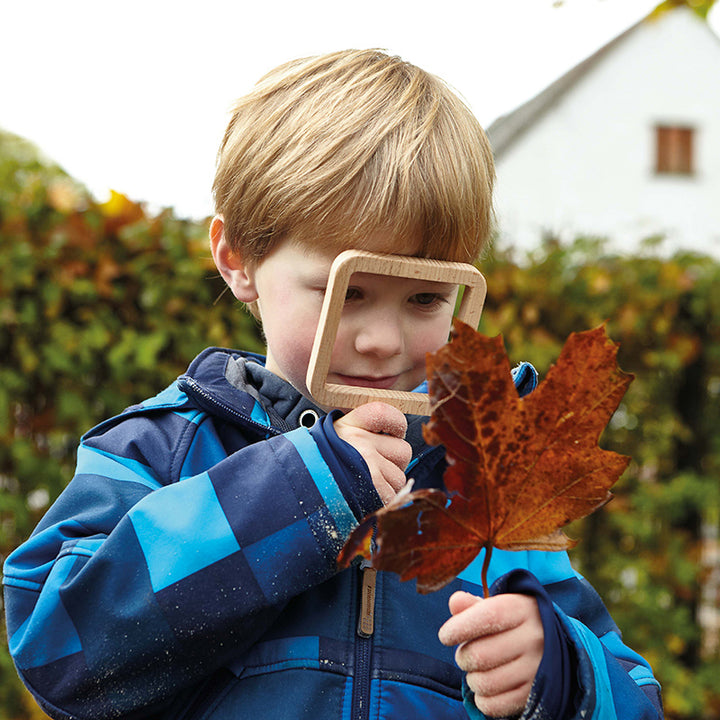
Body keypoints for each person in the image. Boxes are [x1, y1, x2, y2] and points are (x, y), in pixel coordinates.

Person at [3, 49, 663, 720]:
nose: (383, 339)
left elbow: (635, 701)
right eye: (348, 291)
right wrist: (303, 490)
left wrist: (560, 673)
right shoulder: (164, 451)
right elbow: (60, 652)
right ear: (238, 261)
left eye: (426, 300)